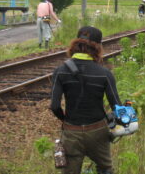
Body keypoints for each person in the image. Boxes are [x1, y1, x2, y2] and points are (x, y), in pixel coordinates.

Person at [50, 26, 122, 174]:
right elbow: (117, 107)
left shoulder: (60, 71)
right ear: (98, 47)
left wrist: (65, 121)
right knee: (105, 169)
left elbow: (55, 106)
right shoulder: (104, 73)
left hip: (72, 132)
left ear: (75, 45)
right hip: (97, 131)